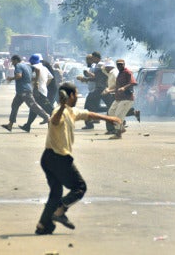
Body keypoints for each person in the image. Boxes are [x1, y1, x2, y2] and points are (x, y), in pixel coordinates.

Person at [35, 82, 121, 235]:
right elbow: (54, 120)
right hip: (58, 158)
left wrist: (109, 118)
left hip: (48, 158)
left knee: (55, 193)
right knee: (80, 187)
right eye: (76, 94)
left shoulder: (72, 111)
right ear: (70, 96)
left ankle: (43, 225)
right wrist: (61, 106)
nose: (77, 97)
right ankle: (59, 211)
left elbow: (89, 114)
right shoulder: (59, 111)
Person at [1, 54, 50, 132]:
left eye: (12, 61)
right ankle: (10, 125)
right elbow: (38, 70)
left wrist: (11, 78)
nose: (12, 63)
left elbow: (19, 76)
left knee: (33, 106)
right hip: (21, 91)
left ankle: (46, 117)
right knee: (14, 105)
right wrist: (35, 80)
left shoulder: (18, 66)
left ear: (16, 60)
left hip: (24, 91)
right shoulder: (27, 65)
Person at [18, 54, 54, 133]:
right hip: (43, 91)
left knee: (51, 110)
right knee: (34, 109)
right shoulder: (44, 68)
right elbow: (50, 77)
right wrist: (44, 85)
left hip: (37, 92)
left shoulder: (33, 68)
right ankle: (27, 125)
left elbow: (33, 79)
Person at [107, 59, 137, 139]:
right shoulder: (119, 74)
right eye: (118, 64)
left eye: (121, 64)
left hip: (126, 98)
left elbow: (133, 83)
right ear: (116, 65)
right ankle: (121, 128)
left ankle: (118, 134)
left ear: (124, 64)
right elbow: (117, 88)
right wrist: (109, 91)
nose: (120, 66)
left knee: (118, 115)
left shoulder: (127, 72)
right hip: (118, 98)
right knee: (110, 113)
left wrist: (124, 87)